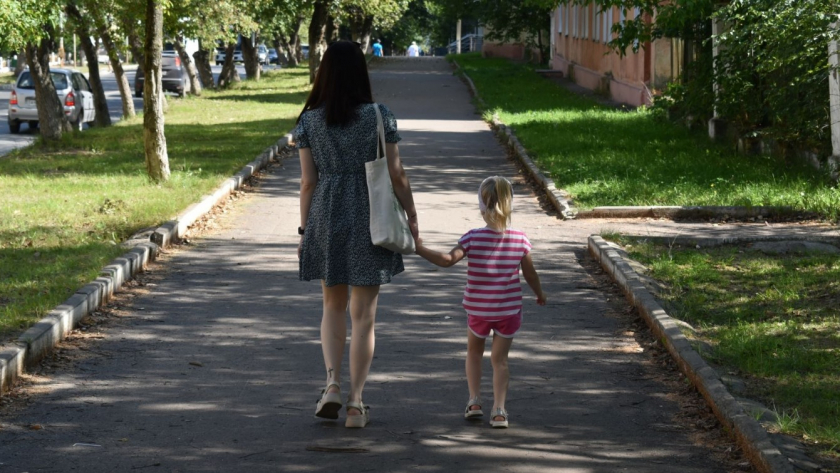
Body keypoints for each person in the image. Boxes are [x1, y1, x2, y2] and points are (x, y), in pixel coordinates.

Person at [294, 40, 419, 429]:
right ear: (360, 73)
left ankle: (331, 384)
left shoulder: (310, 120)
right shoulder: (380, 116)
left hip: (326, 216)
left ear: (324, 74)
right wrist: (411, 213)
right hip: (372, 216)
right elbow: (396, 173)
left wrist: (304, 230)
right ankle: (355, 403)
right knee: (363, 315)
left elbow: (307, 183)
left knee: (332, 306)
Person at [414, 176, 546, 429]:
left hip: (478, 310)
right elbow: (530, 274)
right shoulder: (520, 239)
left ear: (481, 206)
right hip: (508, 311)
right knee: (501, 361)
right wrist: (540, 293)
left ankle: (474, 401)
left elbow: (446, 260)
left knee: (474, 353)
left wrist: (418, 248)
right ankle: (499, 410)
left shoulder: (472, 238)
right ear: (510, 205)